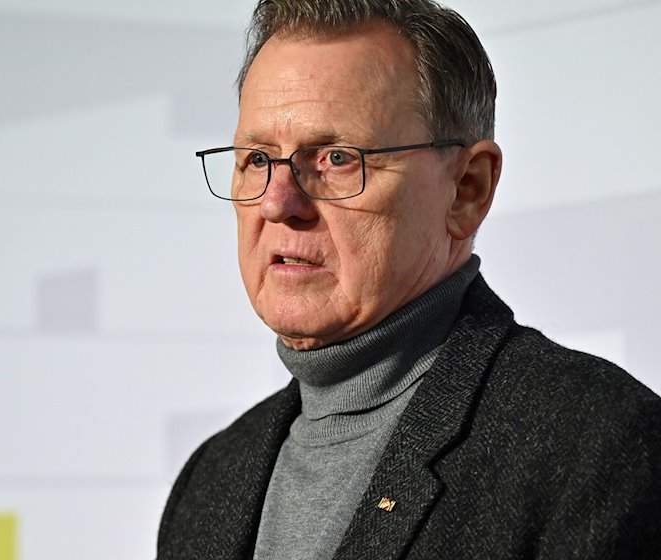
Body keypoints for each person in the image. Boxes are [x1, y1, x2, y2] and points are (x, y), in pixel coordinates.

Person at [156, 1, 661, 558]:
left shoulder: (598, 446)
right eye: (256, 158)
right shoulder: (209, 482)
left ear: (467, 189)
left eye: (337, 158)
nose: (278, 201)